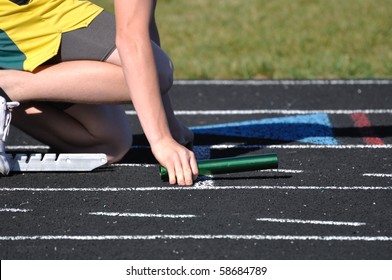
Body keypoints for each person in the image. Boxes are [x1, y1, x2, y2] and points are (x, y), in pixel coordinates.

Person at [0, 0, 198, 185]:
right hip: (17, 14)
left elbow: (143, 22)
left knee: (109, 144)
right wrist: (161, 139)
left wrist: (169, 125)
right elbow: (132, 38)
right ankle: (11, 85)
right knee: (159, 71)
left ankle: (12, 87)